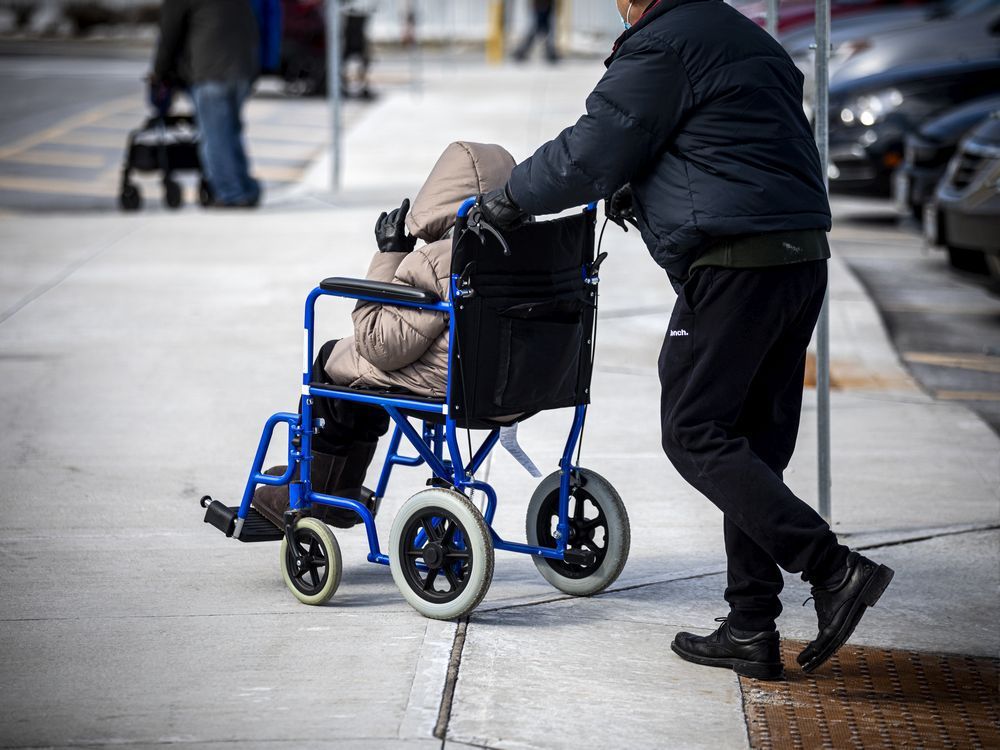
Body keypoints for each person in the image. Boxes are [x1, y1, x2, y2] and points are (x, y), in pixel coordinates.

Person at [477, 0, 894, 680]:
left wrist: (512, 196)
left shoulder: (662, 46)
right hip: (798, 257)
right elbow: (724, 143)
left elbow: (592, 148)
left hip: (736, 266)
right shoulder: (739, 36)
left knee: (695, 430)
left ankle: (833, 568)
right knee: (750, 447)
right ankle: (752, 626)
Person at [252, 142, 516, 528]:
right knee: (362, 375)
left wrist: (391, 253)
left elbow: (379, 344)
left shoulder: (439, 259)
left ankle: (321, 489)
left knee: (335, 362)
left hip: (450, 384)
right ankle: (339, 490)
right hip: (512, 386)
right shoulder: (529, 250)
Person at [151, 0, 262, 208]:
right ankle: (247, 189)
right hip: (242, 69)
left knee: (215, 136)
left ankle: (231, 194)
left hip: (212, 70)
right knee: (230, 132)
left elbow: (169, 35)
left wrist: (159, 73)